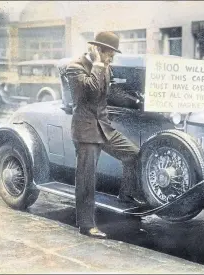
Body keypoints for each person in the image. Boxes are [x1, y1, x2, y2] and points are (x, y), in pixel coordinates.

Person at [66, 31, 145, 239]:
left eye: (112, 55)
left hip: (104, 127)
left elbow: (110, 93)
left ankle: (126, 197)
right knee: (86, 179)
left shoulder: (106, 67)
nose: (111, 59)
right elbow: (91, 91)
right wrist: (99, 64)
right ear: (98, 50)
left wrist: (138, 101)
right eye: (109, 54)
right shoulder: (75, 67)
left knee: (133, 154)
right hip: (85, 130)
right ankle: (86, 225)